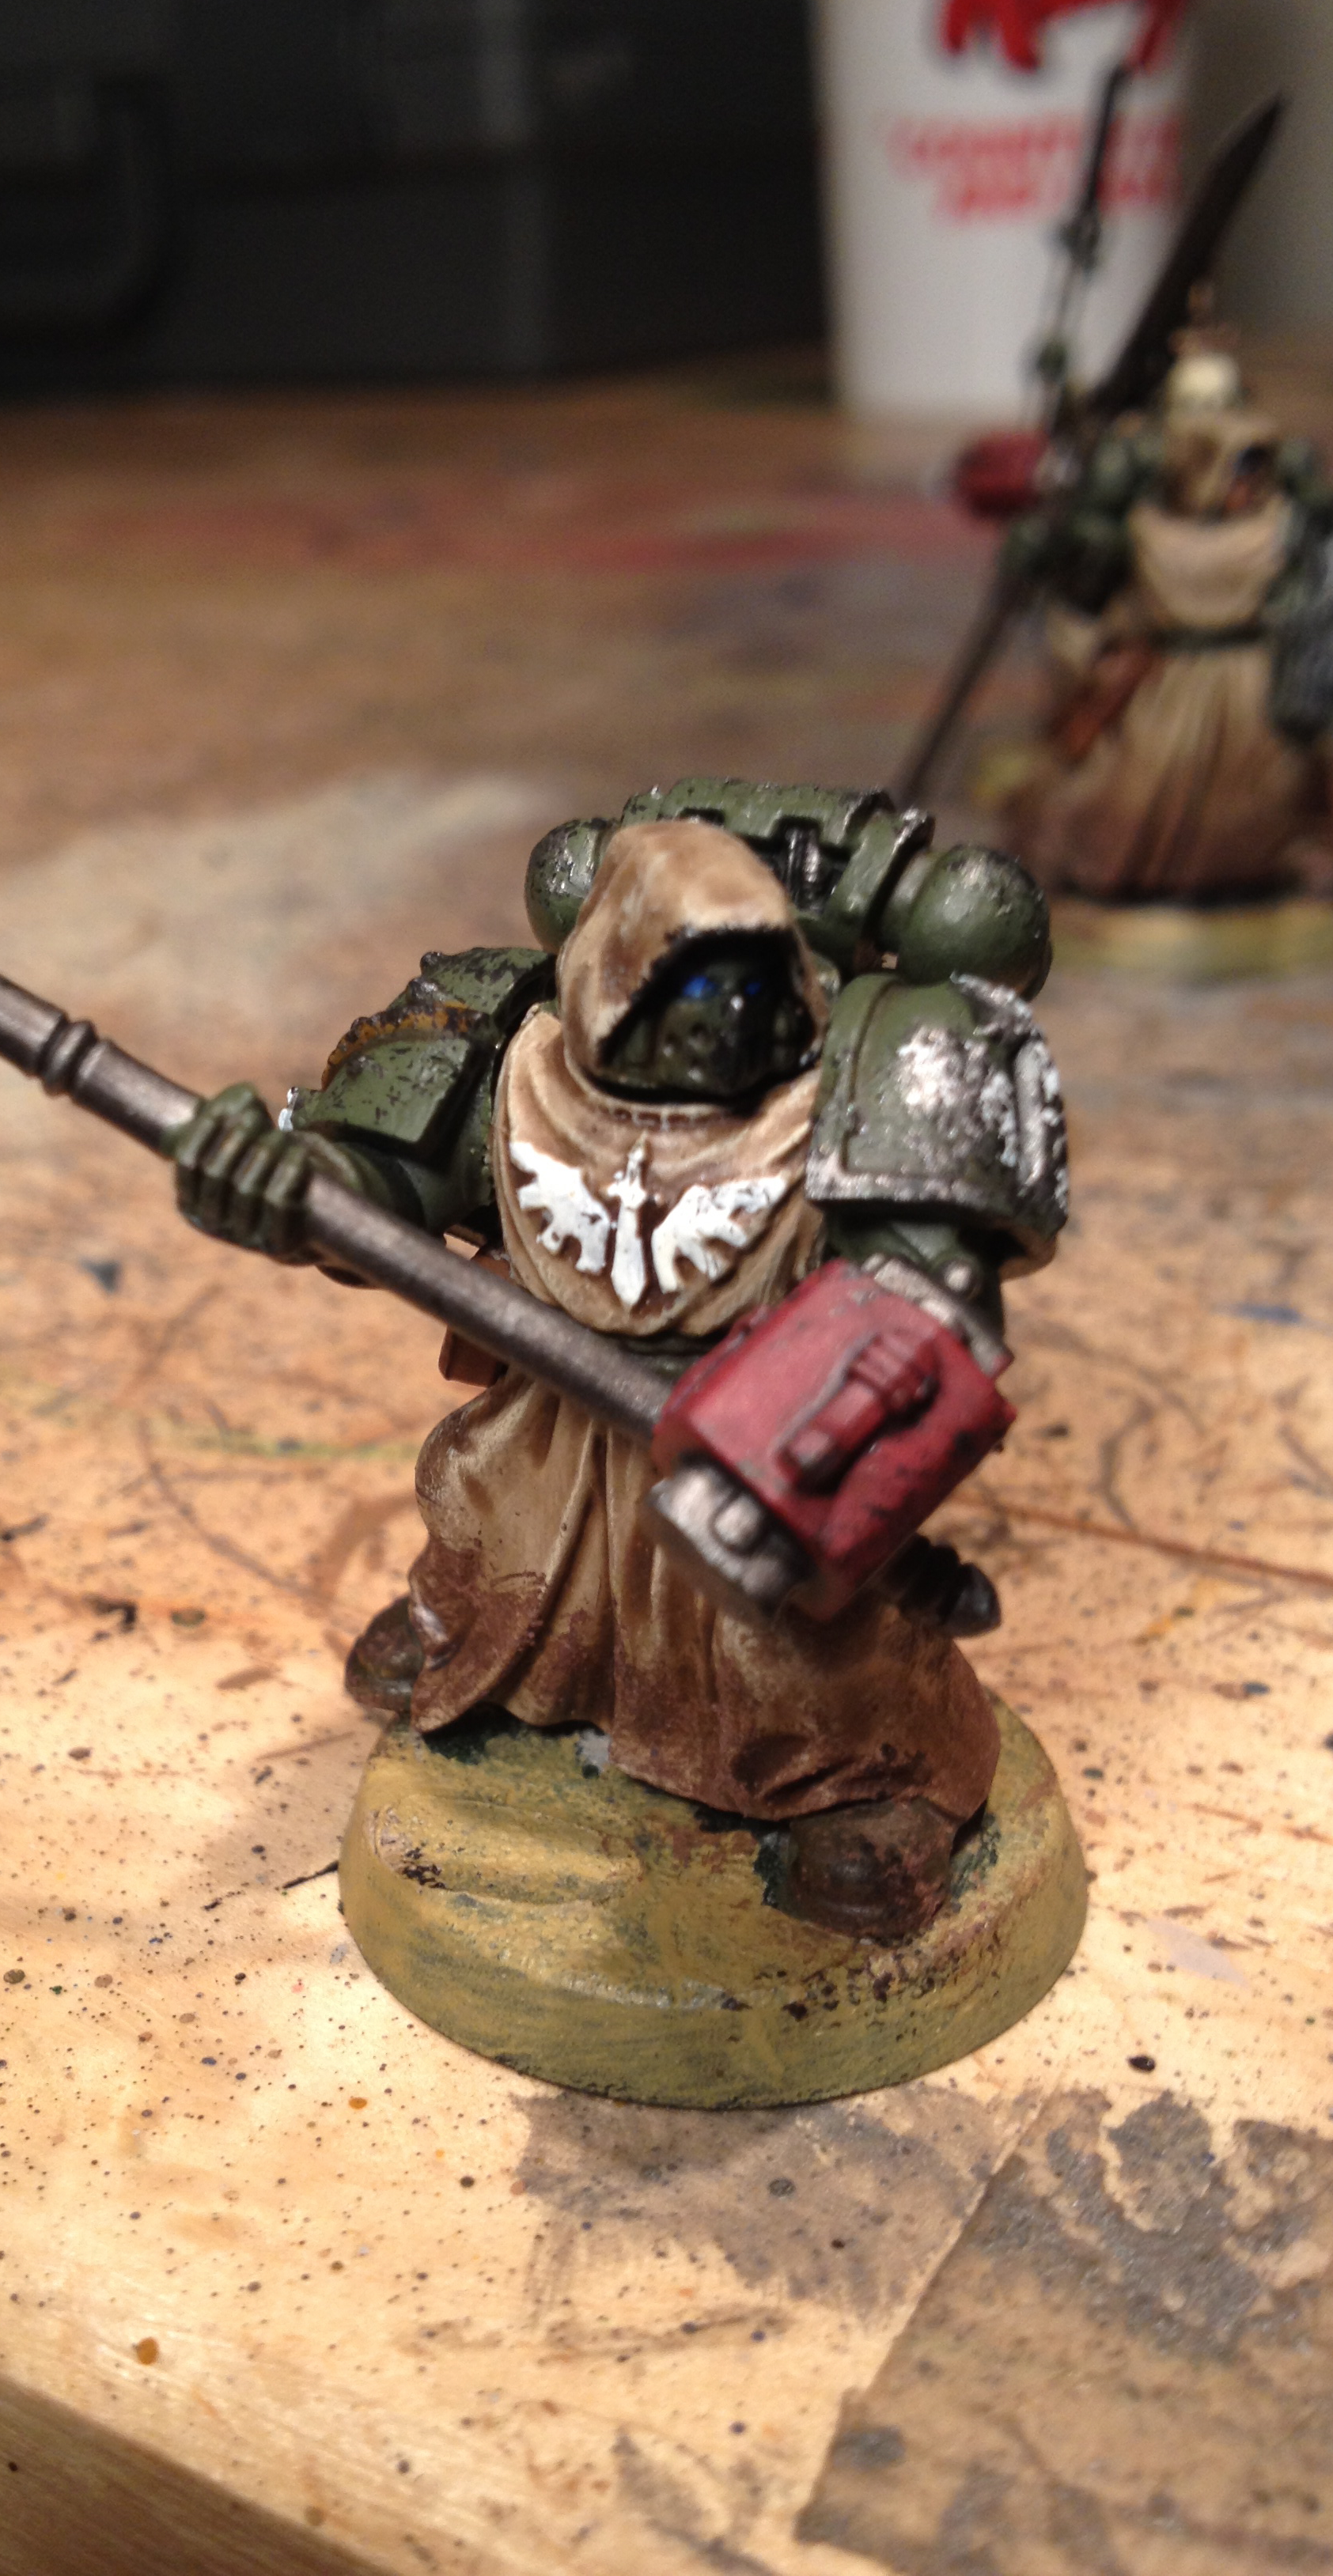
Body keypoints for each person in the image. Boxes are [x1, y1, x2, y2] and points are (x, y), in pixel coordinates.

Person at [169, 796, 1066, 1941]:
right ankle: (479, 1644)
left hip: (763, 1429)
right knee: (495, 1538)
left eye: (752, 981)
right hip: (550, 1418)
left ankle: (860, 1786)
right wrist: (295, 1187)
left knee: (803, 1652)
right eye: (687, 984)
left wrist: (845, 1399)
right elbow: (390, 1190)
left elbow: (928, 1292)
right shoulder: (512, 1056)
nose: (723, 1019)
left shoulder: (859, 1074)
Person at [1002, 332, 1333, 906]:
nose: (1247, 485)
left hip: (1250, 692)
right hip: (1167, 689)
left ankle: (1254, 867)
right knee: (1135, 793)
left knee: (1263, 801)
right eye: (1237, 469)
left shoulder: (1278, 523)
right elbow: (1087, 597)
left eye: (1255, 468)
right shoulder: (1147, 528)